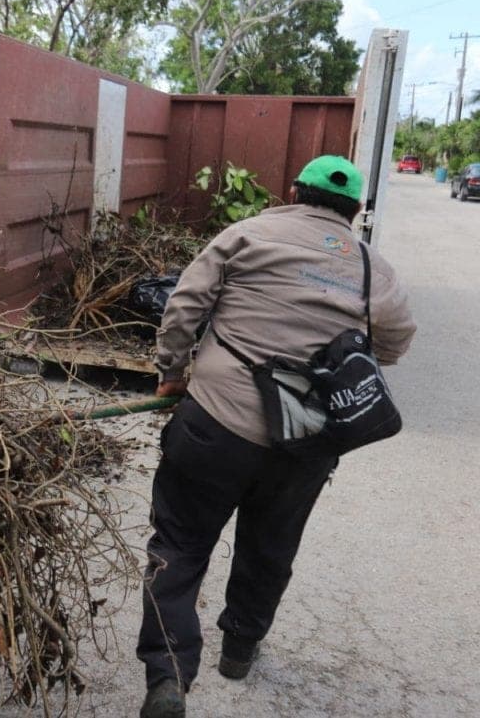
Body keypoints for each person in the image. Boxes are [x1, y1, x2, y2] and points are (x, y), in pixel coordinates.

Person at [136, 155, 416, 718]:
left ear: (293, 191)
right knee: (270, 546)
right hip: (305, 443)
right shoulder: (372, 269)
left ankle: (168, 676)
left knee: (180, 545)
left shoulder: (246, 234)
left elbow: (185, 305)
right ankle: (239, 650)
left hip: (215, 423)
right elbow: (393, 344)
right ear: (355, 211)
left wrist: (171, 370)